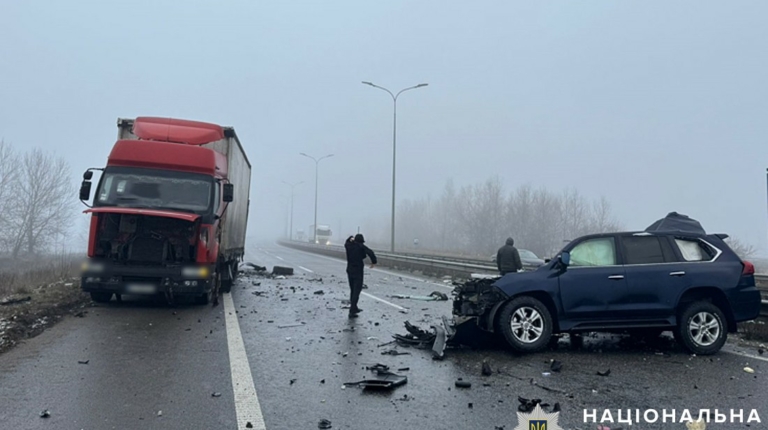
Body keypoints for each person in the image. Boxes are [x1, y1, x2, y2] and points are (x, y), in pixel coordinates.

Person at [344, 233, 377, 318]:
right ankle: (352, 310)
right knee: (357, 290)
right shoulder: (361, 247)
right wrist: (374, 262)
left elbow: (346, 242)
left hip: (350, 270)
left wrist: (350, 238)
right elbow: (370, 252)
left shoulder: (349, 246)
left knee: (352, 289)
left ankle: (354, 307)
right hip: (358, 271)